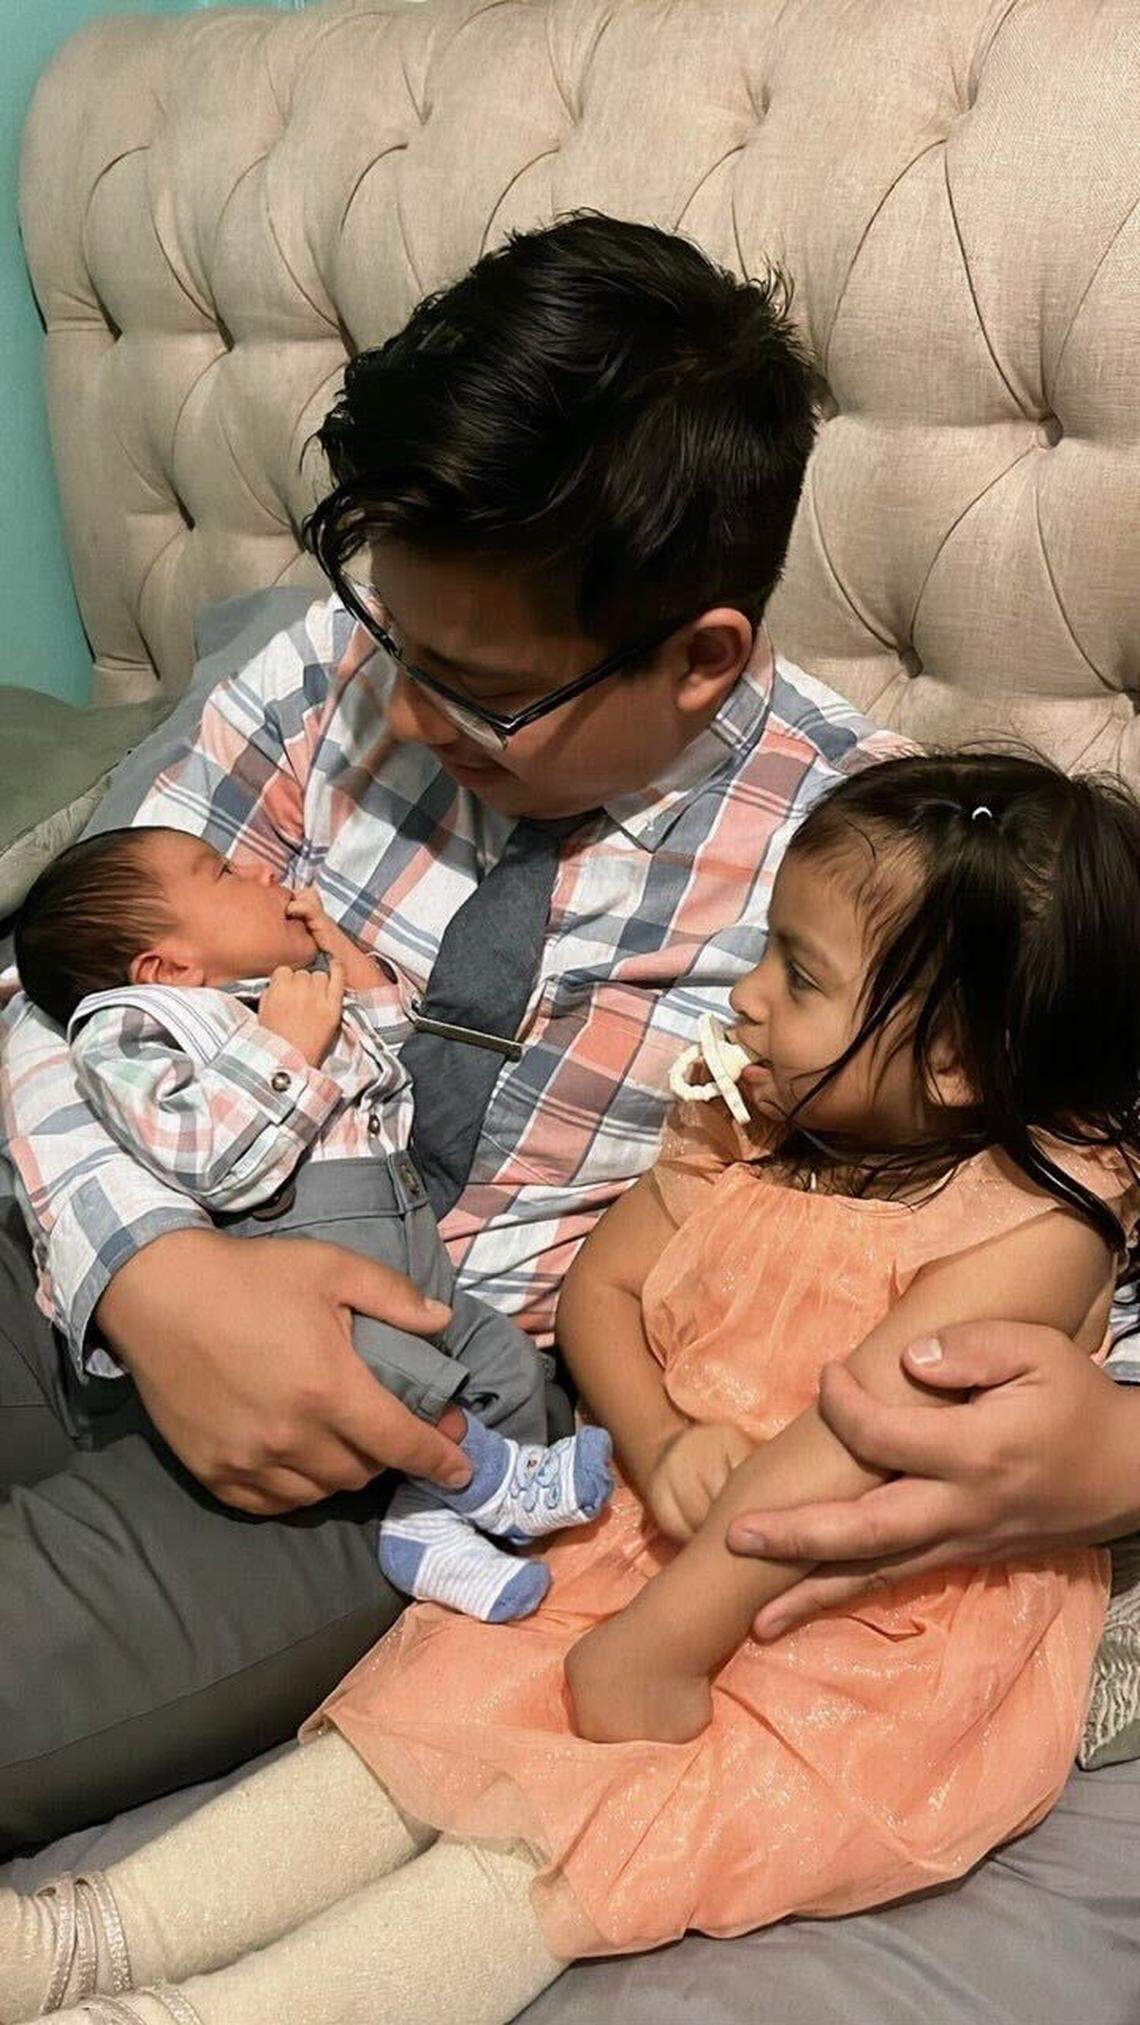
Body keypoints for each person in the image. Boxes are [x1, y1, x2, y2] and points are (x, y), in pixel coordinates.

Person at [0, 210, 905, 1847]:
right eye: (392, 640)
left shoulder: (867, 882)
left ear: (703, 658)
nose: (405, 715)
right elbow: (50, 981)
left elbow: (1054, 1257)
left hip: (378, 1438)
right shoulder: (319, 671)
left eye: (476, 687)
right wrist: (150, 1266)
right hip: (71, 1235)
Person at [7, 750, 1138, 2024]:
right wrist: (653, 1437)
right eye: (768, 949)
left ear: (958, 1066)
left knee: (563, 1845)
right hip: (648, 1536)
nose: (748, 998)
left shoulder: (1039, 1223)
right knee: (406, 1740)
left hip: (837, 1611)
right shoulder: (750, 1131)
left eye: (800, 977)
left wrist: (671, 1639)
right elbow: (603, 1285)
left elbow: (862, 1433)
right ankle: (79, 1942)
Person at [12, 826, 614, 1623]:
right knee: (384, 1373)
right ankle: (488, 1479)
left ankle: (427, 1527)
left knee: (502, 1359)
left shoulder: (283, 990)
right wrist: (287, 1049)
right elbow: (213, 1159)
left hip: (406, 1237)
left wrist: (353, 975)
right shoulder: (137, 1029)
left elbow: (399, 1082)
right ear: (167, 968)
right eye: (224, 872)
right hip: (303, 1247)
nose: (263, 869)